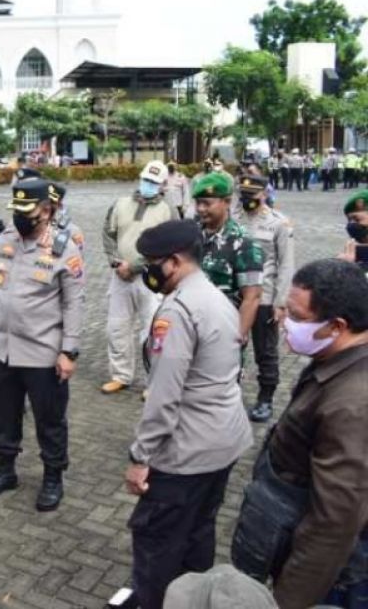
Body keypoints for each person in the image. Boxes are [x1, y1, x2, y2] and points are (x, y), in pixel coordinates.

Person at [124, 220, 252, 609]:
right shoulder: (216, 297)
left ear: (175, 262)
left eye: (152, 263)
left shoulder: (177, 311)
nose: (147, 270)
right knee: (198, 530)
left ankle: (154, 601)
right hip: (224, 440)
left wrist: (141, 457)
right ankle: (192, 598)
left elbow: (164, 397)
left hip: (187, 450)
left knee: (157, 539)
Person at [231, 259, 368, 609]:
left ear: (337, 326)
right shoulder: (337, 359)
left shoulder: (352, 404)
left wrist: (288, 601)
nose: (285, 322)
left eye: (297, 317)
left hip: (325, 577)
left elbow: (334, 523)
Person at [0, 179, 84, 512]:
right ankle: (5, 470)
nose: (22, 218)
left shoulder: (65, 247)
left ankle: (53, 477)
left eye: (29, 212)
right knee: (3, 414)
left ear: (47, 210)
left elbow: (74, 304)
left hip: (42, 351)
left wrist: (69, 351)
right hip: (3, 348)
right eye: (17, 211)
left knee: (49, 419)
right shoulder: (8, 237)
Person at [100, 162, 179, 395]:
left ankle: (153, 382)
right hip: (119, 276)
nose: (148, 185)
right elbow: (108, 234)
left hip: (152, 280)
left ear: (163, 185)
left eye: (154, 182)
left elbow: (170, 246)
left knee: (152, 331)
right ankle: (121, 375)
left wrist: (134, 266)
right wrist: (116, 262)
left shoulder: (168, 210)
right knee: (117, 327)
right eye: (146, 180)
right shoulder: (120, 204)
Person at [233, 174, 294, 422]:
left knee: (265, 352)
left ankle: (265, 399)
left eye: (252, 195)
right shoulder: (233, 219)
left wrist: (281, 303)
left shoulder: (279, 223)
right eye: (243, 195)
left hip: (264, 298)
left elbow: (286, 265)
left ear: (264, 194)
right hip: (235, 296)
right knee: (231, 348)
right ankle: (229, 396)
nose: (247, 200)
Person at [192, 173, 263, 350]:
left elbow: (252, 297)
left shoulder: (243, 242)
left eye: (207, 203)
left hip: (222, 332)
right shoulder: (191, 236)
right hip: (190, 328)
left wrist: (237, 338)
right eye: (198, 203)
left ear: (227, 202)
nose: (200, 209)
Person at [340, 189, 368, 268]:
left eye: (357, 219)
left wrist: (347, 269)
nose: (351, 225)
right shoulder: (356, 253)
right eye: (349, 220)